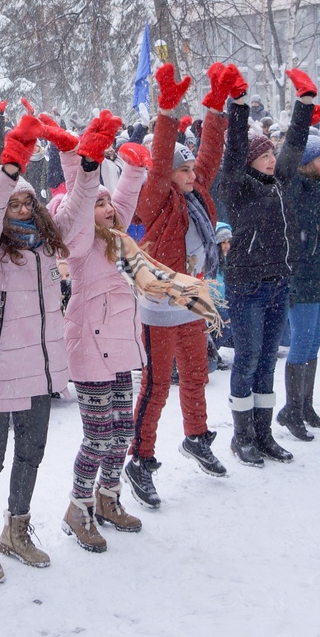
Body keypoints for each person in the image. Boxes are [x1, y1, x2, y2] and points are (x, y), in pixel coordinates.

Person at [0, 111, 108, 583]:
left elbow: (79, 209)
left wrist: (88, 166)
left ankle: (16, 531)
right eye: (14, 203)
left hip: (40, 370)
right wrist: (8, 170)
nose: (22, 209)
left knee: (31, 454)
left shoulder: (47, 244)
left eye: (28, 201)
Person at [125, 64, 229, 506]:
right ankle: (141, 458)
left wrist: (216, 109)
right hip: (160, 305)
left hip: (192, 299)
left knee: (197, 374)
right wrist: (167, 113)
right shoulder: (156, 200)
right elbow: (162, 160)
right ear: (167, 174)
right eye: (182, 171)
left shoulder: (195, 195)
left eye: (190, 171)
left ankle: (197, 437)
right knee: (156, 386)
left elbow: (210, 157)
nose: (191, 176)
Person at [216, 65, 312, 466]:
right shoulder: (236, 186)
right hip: (248, 284)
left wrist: (304, 104)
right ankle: (242, 437)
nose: (272, 159)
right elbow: (234, 152)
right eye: (265, 155)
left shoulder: (280, 183)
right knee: (248, 358)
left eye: (272, 154)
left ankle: (263, 432)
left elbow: (295, 146)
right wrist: (238, 107)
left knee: (268, 360)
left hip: (278, 282)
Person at [60, 130, 150, 551]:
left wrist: (133, 169)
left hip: (120, 347)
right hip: (90, 348)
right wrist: (76, 163)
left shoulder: (118, 237)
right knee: (97, 436)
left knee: (122, 431)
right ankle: (78, 507)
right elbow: (79, 201)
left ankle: (108, 497)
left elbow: (124, 201)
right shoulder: (79, 242)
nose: (108, 209)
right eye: (98, 204)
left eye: (108, 202)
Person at [280, 133, 320, 440]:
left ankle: (305, 406)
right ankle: (292, 410)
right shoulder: (296, 187)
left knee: (314, 343)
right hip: (303, 276)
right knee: (301, 343)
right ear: (306, 164)